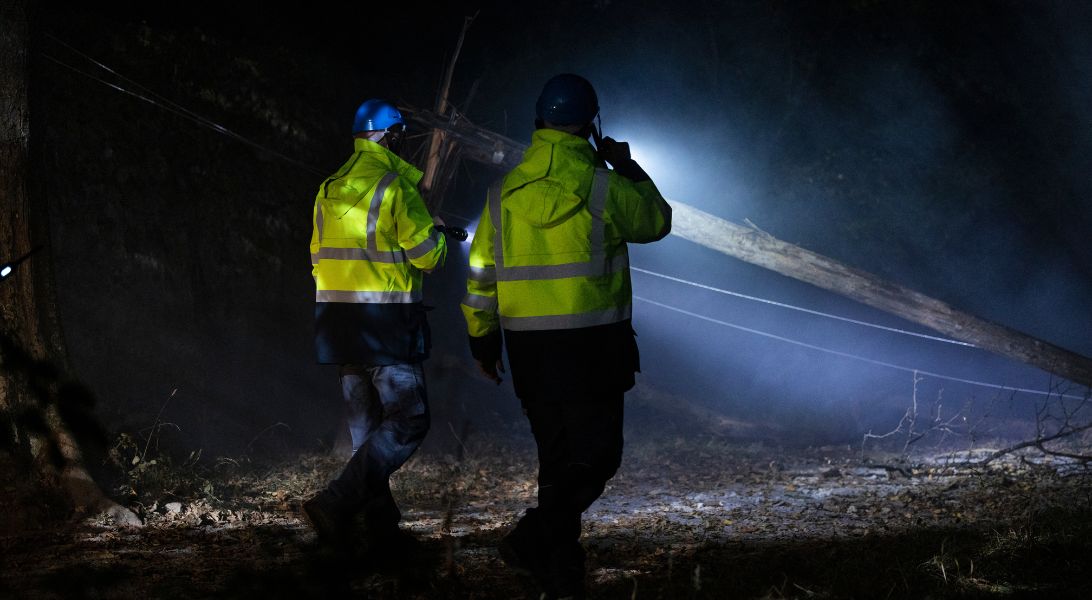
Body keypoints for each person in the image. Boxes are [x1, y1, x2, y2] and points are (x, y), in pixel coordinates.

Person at [461, 74, 672, 598]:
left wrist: (482, 340)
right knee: (598, 458)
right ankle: (534, 538)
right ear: (590, 123)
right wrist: (625, 163)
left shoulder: (502, 193)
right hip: (593, 346)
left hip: (529, 347)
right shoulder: (604, 186)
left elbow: (481, 274)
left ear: (539, 121)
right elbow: (657, 221)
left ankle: (561, 573)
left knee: (556, 462)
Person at [303, 98, 447, 552]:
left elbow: (316, 259)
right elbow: (428, 256)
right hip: (384, 323)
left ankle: (377, 528)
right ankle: (336, 499)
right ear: (392, 137)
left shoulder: (328, 188)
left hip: (338, 325)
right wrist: (438, 234)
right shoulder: (394, 188)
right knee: (409, 420)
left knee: (365, 430)